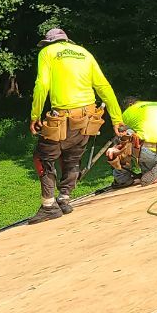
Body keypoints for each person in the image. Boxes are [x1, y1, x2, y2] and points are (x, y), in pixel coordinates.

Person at [28, 29, 123, 223]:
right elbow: (104, 87)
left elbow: (41, 84)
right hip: (88, 117)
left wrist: (35, 115)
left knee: (42, 157)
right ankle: (64, 198)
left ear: (48, 42)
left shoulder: (47, 53)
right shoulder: (84, 53)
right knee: (72, 156)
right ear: (66, 41)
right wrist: (117, 119)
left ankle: (48, 206)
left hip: (63, 116)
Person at [105, 96, 157, 190]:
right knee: (148, 175)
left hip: (149, 151)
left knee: (121, 137)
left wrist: (114, 149)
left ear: (129, 105)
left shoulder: (128, 111)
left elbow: (120, 133)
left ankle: (122, 179)